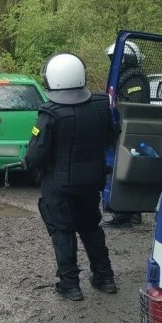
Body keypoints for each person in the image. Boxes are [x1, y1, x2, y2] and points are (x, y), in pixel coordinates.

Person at [23, 53, 120, 301]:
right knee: (91, 227)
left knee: (62, 230)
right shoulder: (101, 105)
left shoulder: (50, 114)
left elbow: (36, 153)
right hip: (91, 182)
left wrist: (27, 166)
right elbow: (111, 137)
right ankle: (105, 277)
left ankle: (70, 285)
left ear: (51, 79)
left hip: (59, 185)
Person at [101, 41, 150, 228]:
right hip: (123, 130)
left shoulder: (134, 78)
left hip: (128, 131)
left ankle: (123, 213)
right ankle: (130, 212)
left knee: (121, 170)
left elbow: (133, 106)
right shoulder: (125, 77)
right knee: (125, 170)